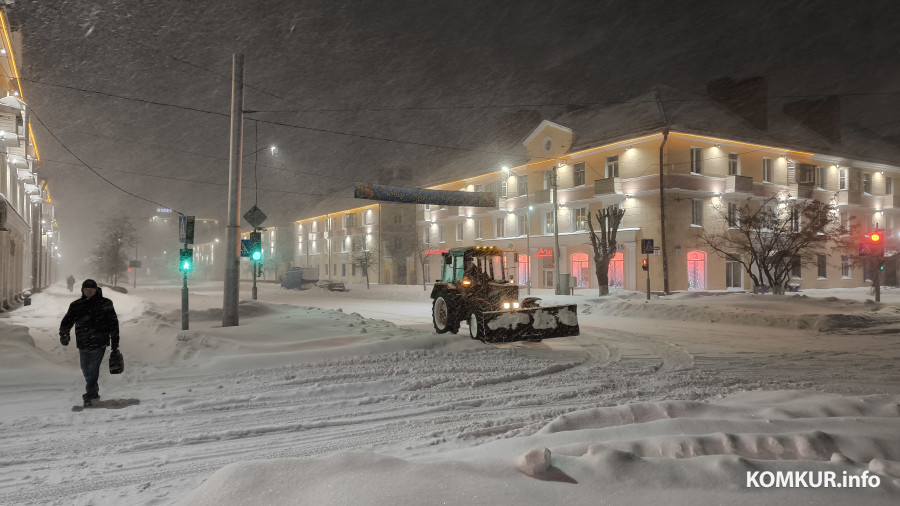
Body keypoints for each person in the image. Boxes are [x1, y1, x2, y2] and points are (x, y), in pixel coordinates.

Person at [59, 279, 120, 407]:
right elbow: (67, 320)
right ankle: (94, 390)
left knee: (93, 368)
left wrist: (115, 344)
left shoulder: (105, 304)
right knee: (85, 369)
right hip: (83, 342)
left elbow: (113, 324)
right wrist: (64, 334)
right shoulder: (76, 305)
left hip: (99, 342)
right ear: (82, 290)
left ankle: (90, 394)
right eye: (86, 289)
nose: (88, 291)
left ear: (96, 290)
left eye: (91, 289)